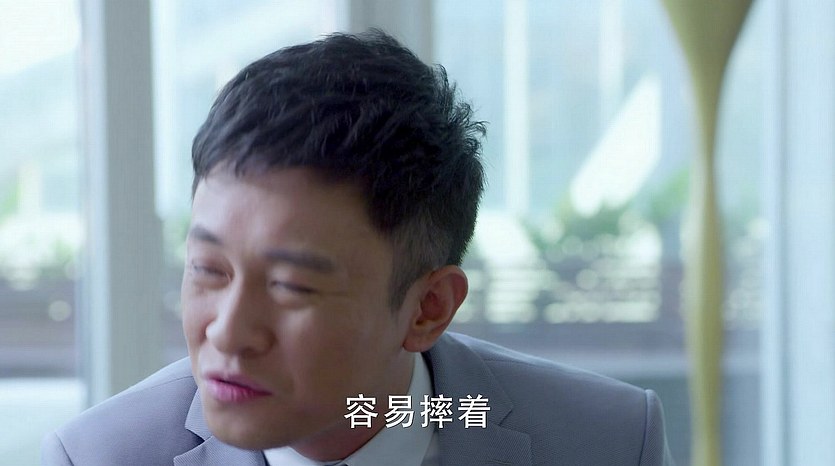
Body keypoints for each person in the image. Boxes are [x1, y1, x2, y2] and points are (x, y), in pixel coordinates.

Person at [42, 29, 674, 465]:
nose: (228, 333)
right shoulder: (99, 457)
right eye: (208, 269)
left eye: (291, 286)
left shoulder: (610, 443)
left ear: (428, 308)